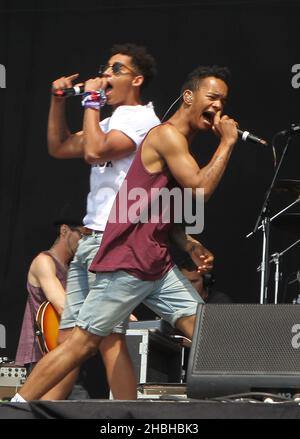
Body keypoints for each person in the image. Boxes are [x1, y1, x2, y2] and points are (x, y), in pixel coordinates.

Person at [12, 64, 238, 401]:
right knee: (82, 343)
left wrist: (185, 242)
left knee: (204, 331)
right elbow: (200, 191)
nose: (219, 106)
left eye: (223, 101)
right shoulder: (166, 136)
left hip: (155, 263)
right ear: (189, 96)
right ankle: (17, 407)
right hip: (128, 262)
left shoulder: (178, 142)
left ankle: (250, 404)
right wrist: (228, 143)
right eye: (213, 97)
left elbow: (157, 208)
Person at [41, 43, 160, 400]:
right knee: (69, 339)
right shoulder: (108, 121)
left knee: (108, 341)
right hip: (89, 239)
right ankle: (45, 407)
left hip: (115, 239)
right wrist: (58, 100)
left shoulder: (143, 120)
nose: (106, 75)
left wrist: (91, 100)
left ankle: (128, 415)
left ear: (136, 79)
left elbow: (95, 151)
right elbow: (59, 147)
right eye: (105, 68)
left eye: (116, 69)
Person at [14, 220, 83, 373]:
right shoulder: (44, 261)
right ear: (64, 230)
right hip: (43, 354)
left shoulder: (74, 269)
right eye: (82, 234)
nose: (85, 241)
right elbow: (64, 307)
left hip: (66, 353)